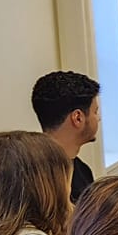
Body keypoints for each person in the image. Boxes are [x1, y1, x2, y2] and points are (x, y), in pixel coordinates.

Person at [31, 70, 100, 204]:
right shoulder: (42, 182)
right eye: (95, 112)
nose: (99, 118)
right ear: (78, 118)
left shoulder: (81, 170)